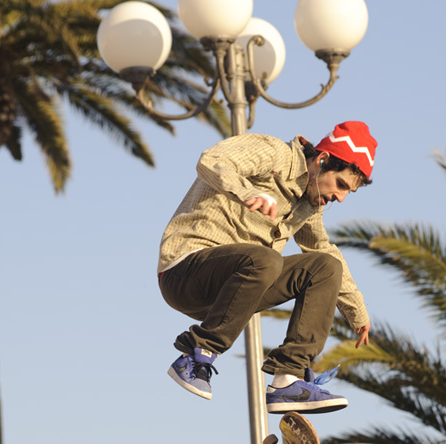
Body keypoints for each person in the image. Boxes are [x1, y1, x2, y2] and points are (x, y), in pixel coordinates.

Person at [157, 120, 376, 414]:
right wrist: (247, 192)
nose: (340, 197)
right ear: (323, 160)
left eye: (349, 191)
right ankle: (196, 356)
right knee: (265, 259)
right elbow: (212, 159)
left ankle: (288, 379)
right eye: (341, 185)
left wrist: (357, 312)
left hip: (232, 293)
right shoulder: (274, 153)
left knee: (325, 267)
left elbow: (323, 248)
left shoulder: (309, 203)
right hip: (185, 271)